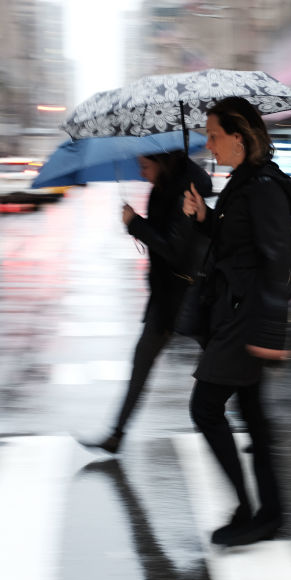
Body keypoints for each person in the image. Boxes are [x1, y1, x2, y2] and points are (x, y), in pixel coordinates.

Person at [182, 96, 291, 547]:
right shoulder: (243, 183)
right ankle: (267, 513)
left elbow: (277, 260)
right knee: (253, 417)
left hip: (246, 318)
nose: (208, 144)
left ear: (239, 136)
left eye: (214, 135)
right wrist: (203, 218)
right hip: (235, 312)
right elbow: (234, 242)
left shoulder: (263, 187)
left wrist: (271, 333)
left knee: (205, 408)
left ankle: (249, 509)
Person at [81, 150, 212, 454]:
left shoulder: (184, 191)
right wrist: (138, 225)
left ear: (164, 162)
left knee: (225, 366)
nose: (142, 173)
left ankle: (258, 429)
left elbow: (174, 248)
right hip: (166, 296)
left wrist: (135, 224)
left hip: (192, 295)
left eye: (145, 166)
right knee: (141, 362)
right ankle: (116, 434)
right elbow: (163, 241)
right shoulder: (162, 190)